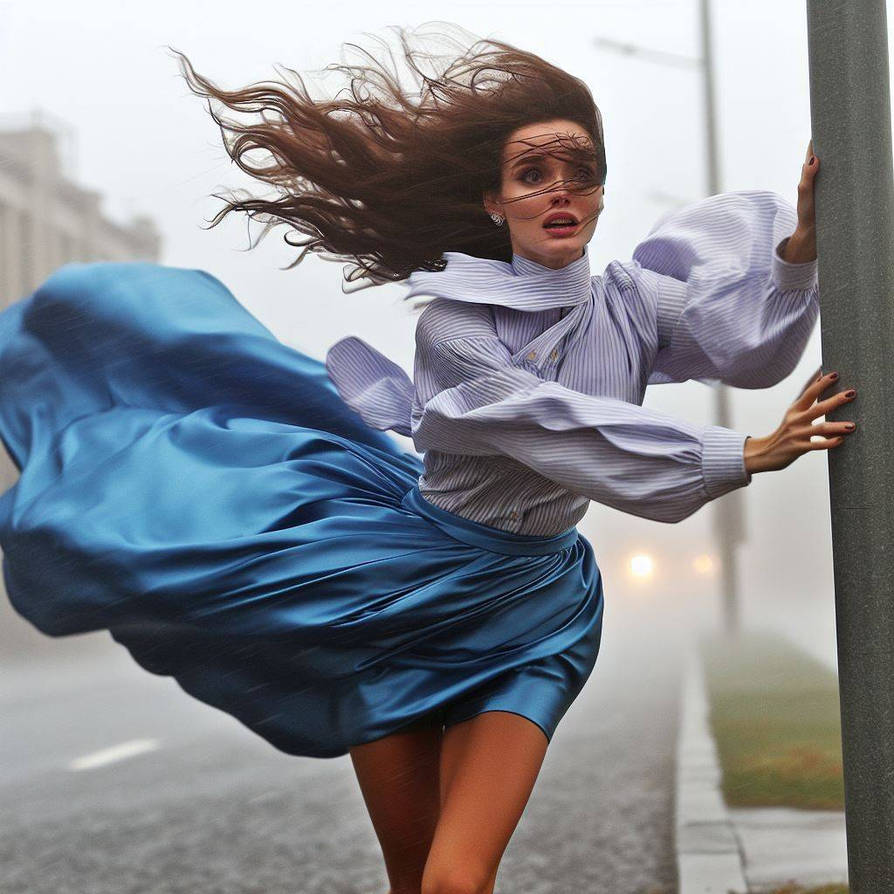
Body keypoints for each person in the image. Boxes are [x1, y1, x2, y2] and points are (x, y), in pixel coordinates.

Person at [0, 23, 855, 894]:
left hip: (538, 608)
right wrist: (737, 454)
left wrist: (799, 250)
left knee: (456, 880)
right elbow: (551, 425)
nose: (560, 191)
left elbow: (738, 343)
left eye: (581, 172)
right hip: (400, 597)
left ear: (600, 191)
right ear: (494, 202)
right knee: (415, 881)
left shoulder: (633, 301)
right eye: (533, 174)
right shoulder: (454, 328)